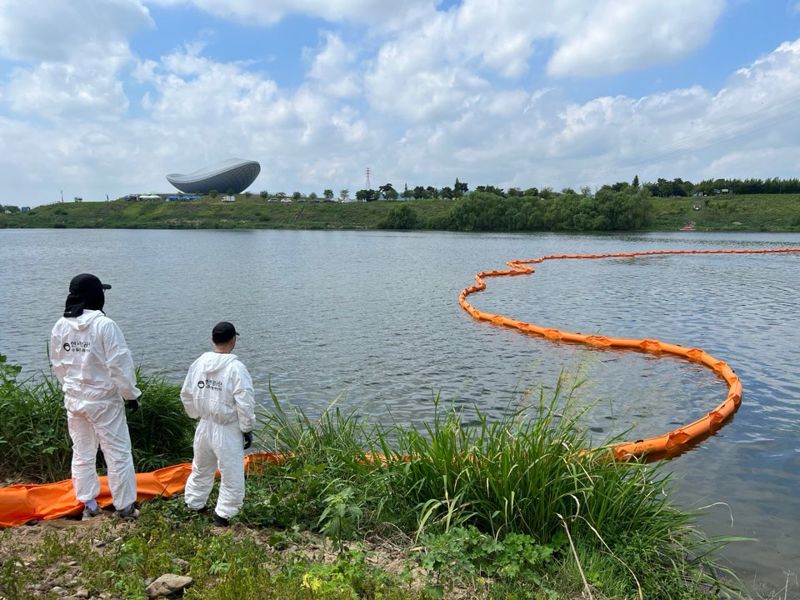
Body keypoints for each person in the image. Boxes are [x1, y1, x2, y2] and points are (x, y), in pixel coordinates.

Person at [50, 273, 141, 520]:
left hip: (74, 399)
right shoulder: (105, 326)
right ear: (96, 295)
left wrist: (71, 387)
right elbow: (119, 365)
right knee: (118, 452)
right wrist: (131, 394)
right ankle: (125, 507)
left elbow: (58, 364)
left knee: (82, 451)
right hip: (103, 401)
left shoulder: (60, 326)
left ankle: (89, 504)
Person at [180, 321, 256, 526]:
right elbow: (245, 401)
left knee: (201, 467)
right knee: (231, 473)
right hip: (227, 429)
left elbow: (186, 393)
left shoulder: (199, 363)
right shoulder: (236, 368)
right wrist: (247, 429)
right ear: (233, 340)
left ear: (213, 339)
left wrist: (195, 414)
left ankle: (194, 503)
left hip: (205, 425)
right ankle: (224, 514)